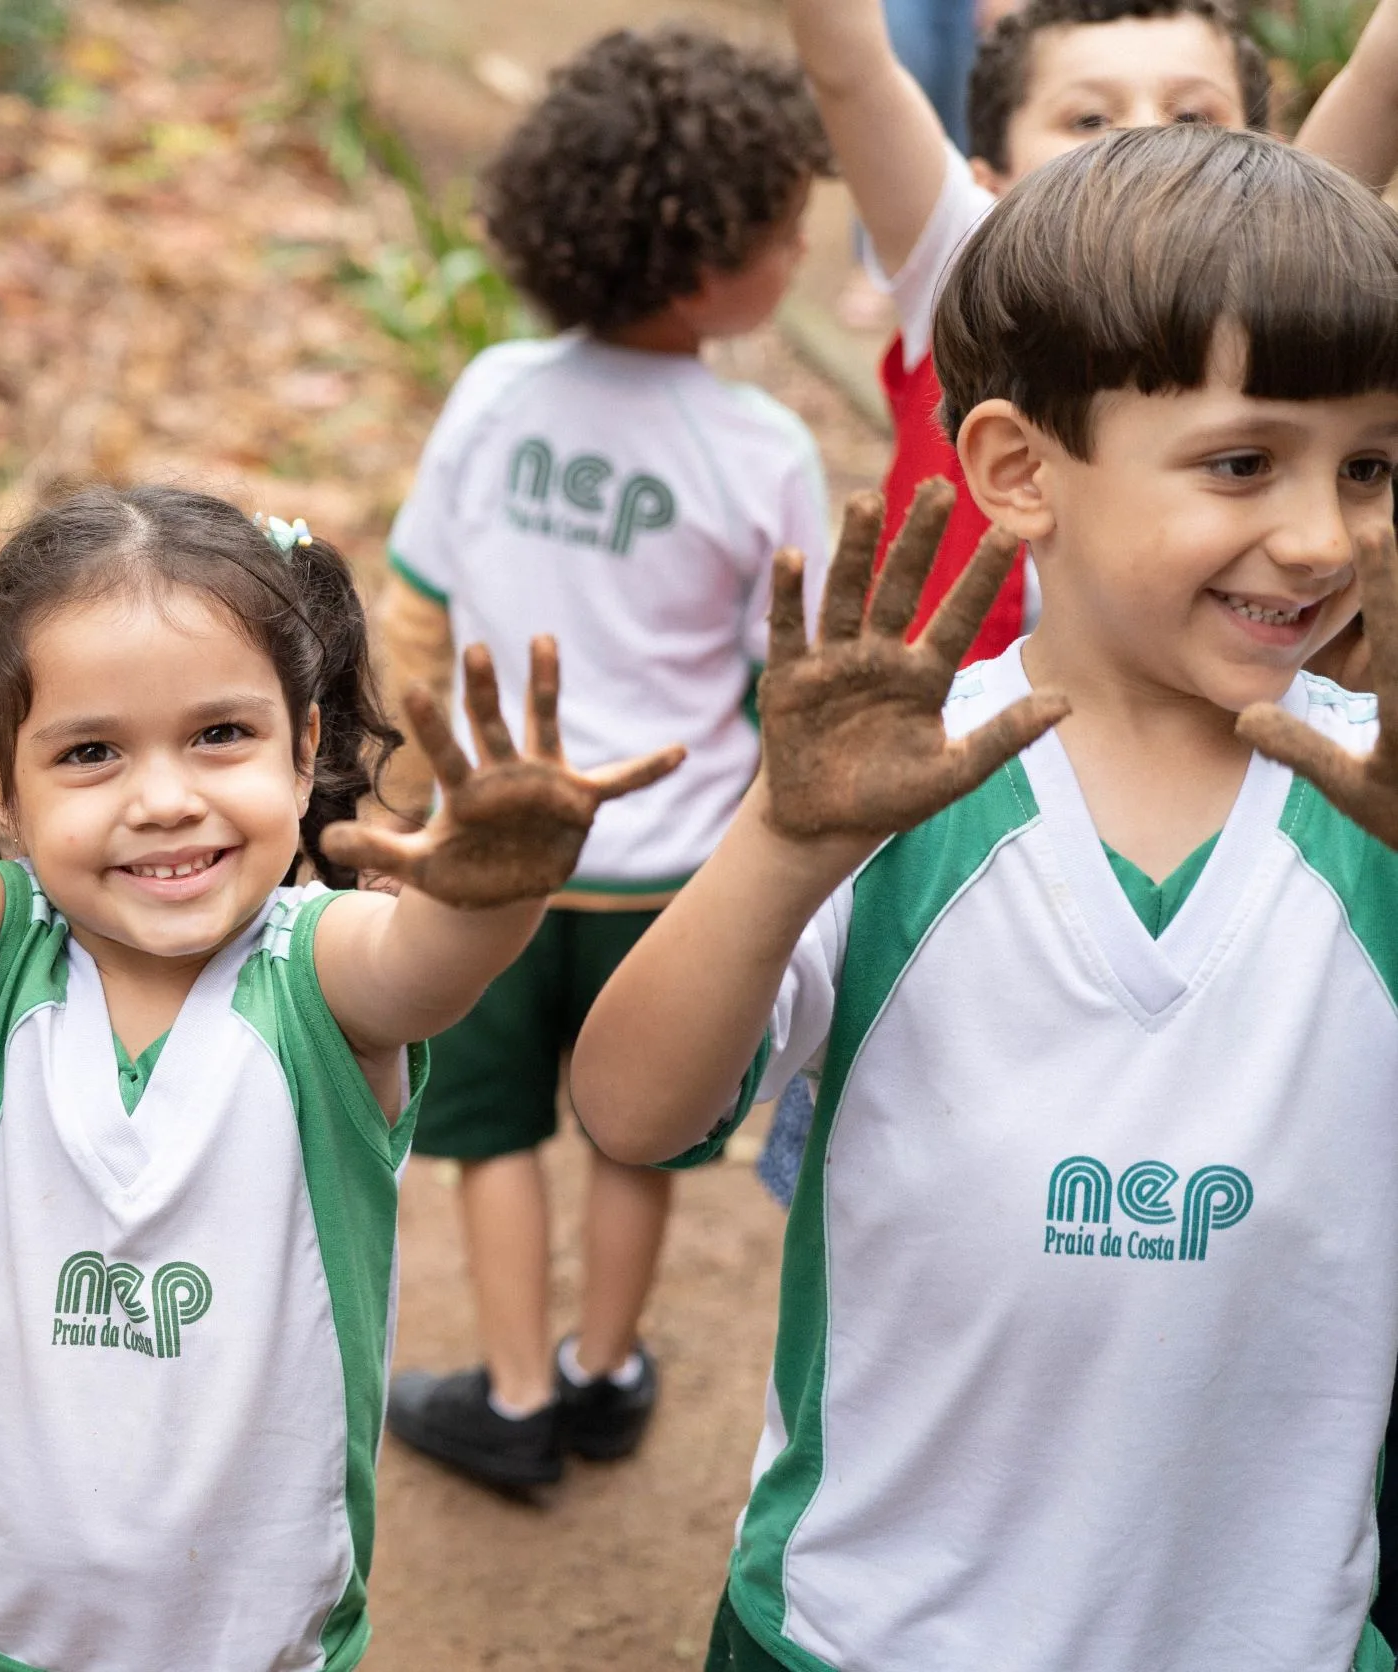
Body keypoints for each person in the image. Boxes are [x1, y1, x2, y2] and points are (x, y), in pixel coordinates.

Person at [0, 486, 684, 1672]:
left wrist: (497, 887)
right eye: (91, 752)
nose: (163, 797)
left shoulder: (319, 975)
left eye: (219, 736)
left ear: (305, 754)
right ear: (3, 793)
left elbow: (426, 967)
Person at [574, 125, 1398, 1670]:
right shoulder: (893, 783)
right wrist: (778, 843)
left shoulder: (1377, 809)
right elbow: (633, 1113)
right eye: (1245, 460)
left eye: (1370, 466)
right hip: (868, 1636)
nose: (1321, 534)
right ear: (1022, 470)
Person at [371, 25, 832, 1490]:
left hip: (496, 855)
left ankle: (510, 1399)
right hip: (669, 875)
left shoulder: (497, 394)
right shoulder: (759, 449)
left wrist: (409, 798)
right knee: (637, 1134)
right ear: (708, 269)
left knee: (489, 1135)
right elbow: (798, 682)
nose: (803, 249)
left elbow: (418, 613)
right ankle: (605, 1367)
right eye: (787, 232)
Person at [786, 0, 1274, 662]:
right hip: (934, 739)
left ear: (1270, 160)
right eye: (1089, 118)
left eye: (1191, 115)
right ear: (990, 180)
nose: (1143, 138)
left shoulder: (1281, 283)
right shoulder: (964, 260)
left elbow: (1380, 86)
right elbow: (850, 70)